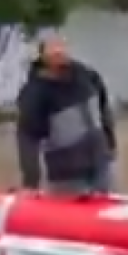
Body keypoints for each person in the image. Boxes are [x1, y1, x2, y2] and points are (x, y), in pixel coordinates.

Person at [16, 37, 117, 194]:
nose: (58, 52)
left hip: (101, 163)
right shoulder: (34, 93)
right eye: (52, 49)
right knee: (75, 216)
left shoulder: (87, 76)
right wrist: (31, 181)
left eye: (61, 46)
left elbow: (103, 109)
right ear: (42, 56)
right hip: (66, 172)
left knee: (106, 208)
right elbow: (27, 137)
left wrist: (111, 144)